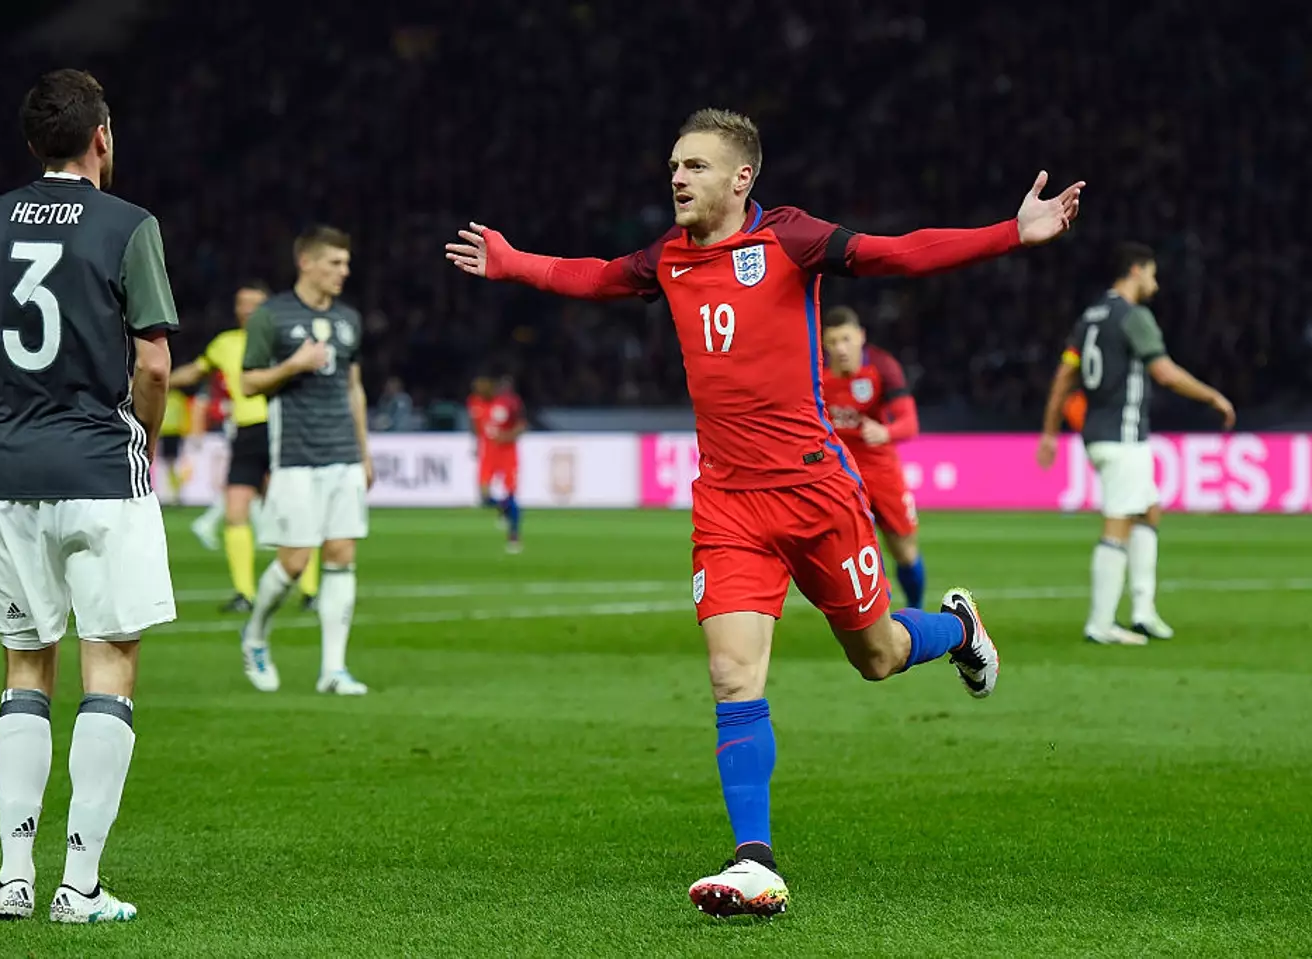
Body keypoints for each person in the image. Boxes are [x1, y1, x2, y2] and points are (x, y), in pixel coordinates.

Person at [447, 107, 1082, 917]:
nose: (678, 178)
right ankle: (755, 860)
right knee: (731, 673)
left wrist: (1008, 233)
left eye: (697, 167)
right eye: (675, 165)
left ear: (741, 177)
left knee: (879, 655)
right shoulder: (666, 258)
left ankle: (958, 629)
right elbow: (596, 275)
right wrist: (512, 263)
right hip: (728, 503)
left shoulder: (789, 239)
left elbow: (894, 254)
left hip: (817, 492)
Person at [0, 68, 175, 923]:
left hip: (10, 480)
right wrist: (149, 443)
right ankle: (80, 885)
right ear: (102, 138)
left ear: (33, 145)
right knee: (112, 660)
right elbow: (157, 362)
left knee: (26, 666)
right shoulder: (130, 226)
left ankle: (14, 876)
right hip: (101, 471)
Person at [1037, 242, 1235, 646]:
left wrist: (1050, 431)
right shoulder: (1134, 317)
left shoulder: (1090, 318)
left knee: (1149, 510)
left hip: (1100, 433)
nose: (1156, 284)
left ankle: (1143, 611)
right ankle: (1100, 622)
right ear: (1135, 270)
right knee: (1119, 521)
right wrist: (1212, 396)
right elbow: (1164, 372)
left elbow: (1064, 376)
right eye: (1152, 273)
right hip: (1122, 435)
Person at [238, 225, 373, 695]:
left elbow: (354, 388)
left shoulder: (349, 320)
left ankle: (333, 670)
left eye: (346, 263)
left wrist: (364, 452)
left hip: (343, 454)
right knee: (295, 562)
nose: (344, 271)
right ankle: (255, 633)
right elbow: (248, 383)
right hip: (295, 455)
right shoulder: (271, 318)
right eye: (335, 263)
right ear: (307, 263)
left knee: (342, 554)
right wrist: (293, 366)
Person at [168, 281, 319, 612]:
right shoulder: (225, 343)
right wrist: (158, 378)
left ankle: (310, 591)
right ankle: (244, 594)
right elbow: (196, 371)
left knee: (294, 512)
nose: (248, 309)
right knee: (236, 510)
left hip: (283, 428)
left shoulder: (285, 339)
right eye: (242, 303)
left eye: (255, 303)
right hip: (246, 433)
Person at [821, 307, 926, 607]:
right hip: (841, 474)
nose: (840, 348)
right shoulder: (815, 372)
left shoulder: (882, 366)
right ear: (824, 344)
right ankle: (877, 617)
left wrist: (886, 432)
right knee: (858, 550)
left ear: (860, 337)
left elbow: (910, 423)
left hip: (881, 469)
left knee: (905, 552)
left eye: (846, 339)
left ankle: (915, 611)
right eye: (833, 342)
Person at [477, 374, 526, 553]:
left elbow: (521, 426)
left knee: (511, 494)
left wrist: (506, 437)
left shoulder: (510, 404)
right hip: (489, 455)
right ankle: (504, 509)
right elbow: (478, 426)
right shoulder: (477, 403)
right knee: (483, 496)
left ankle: (514, 536)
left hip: (507, 455)